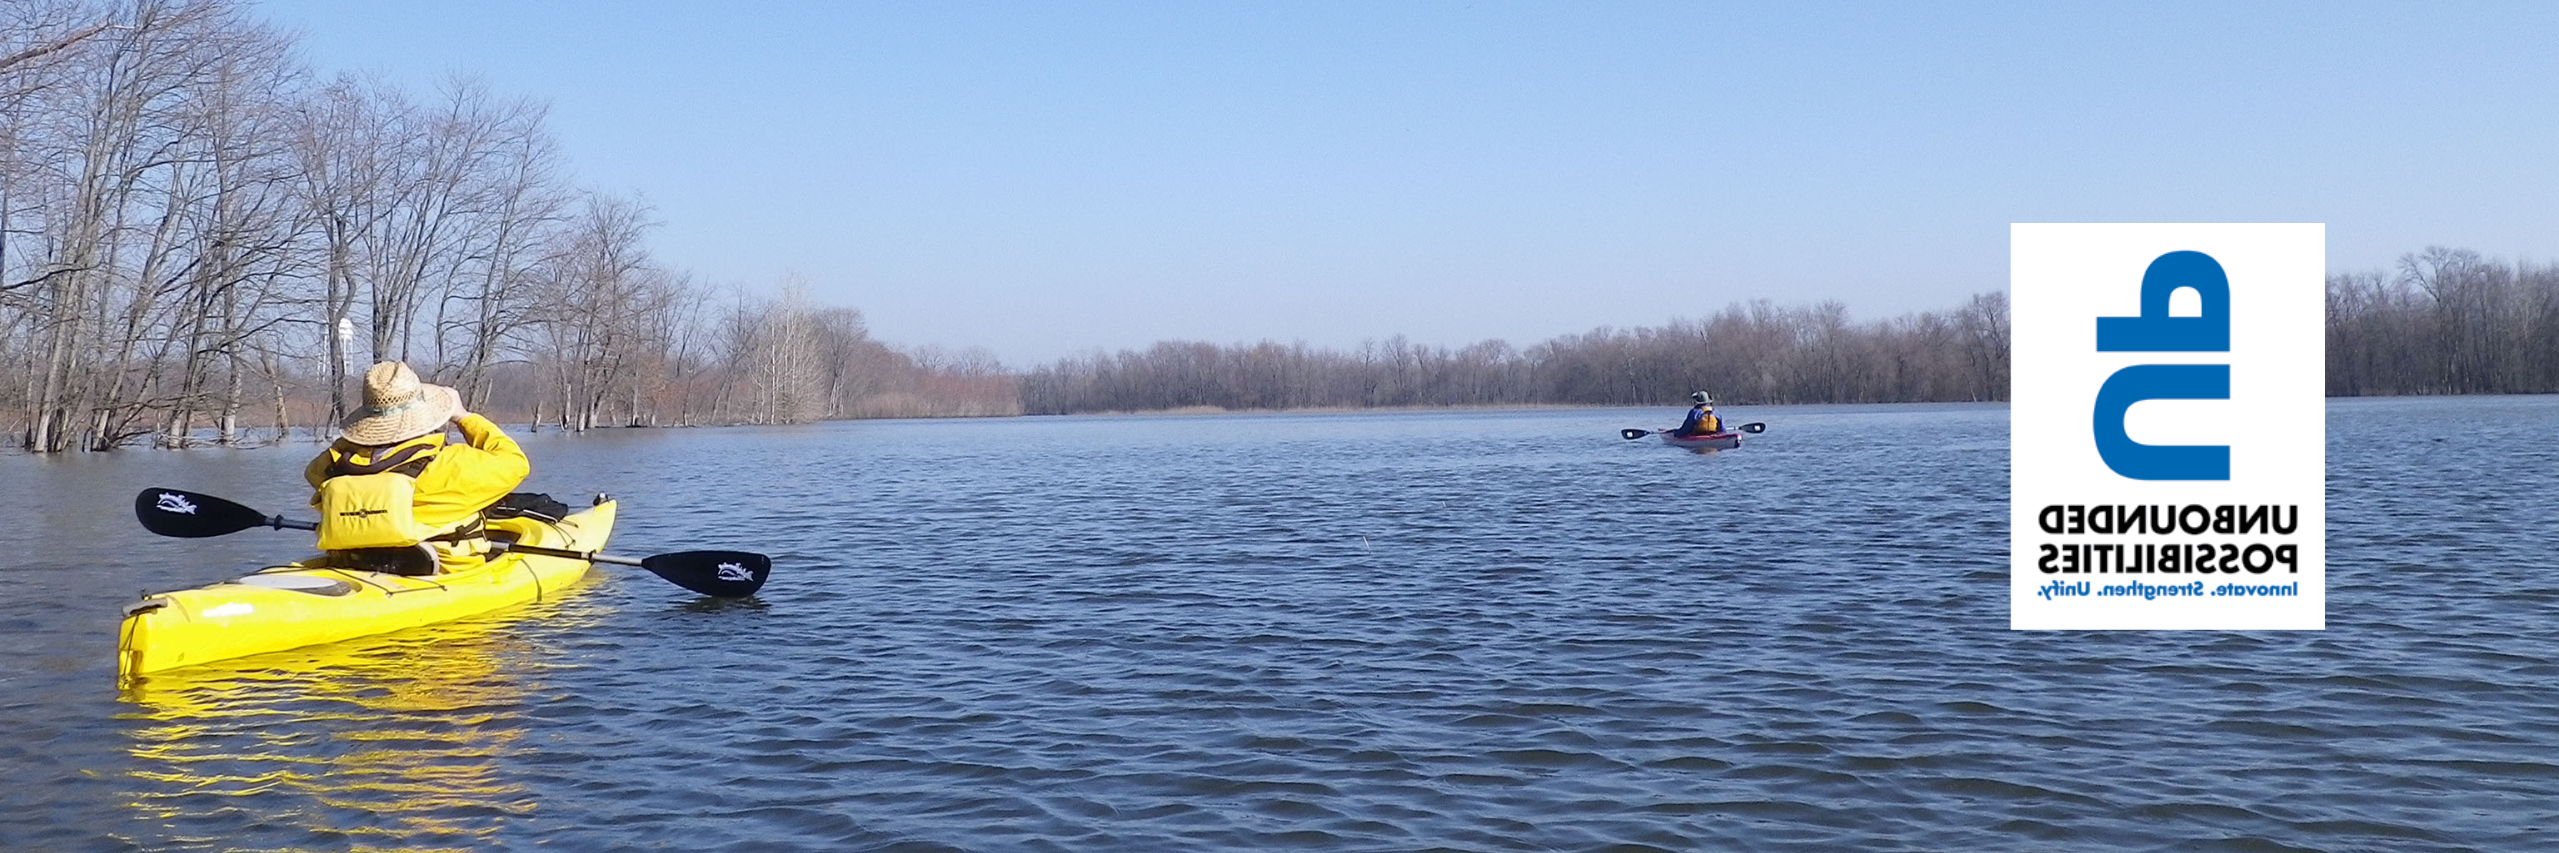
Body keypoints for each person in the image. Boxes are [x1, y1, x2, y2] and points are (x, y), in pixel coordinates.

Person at [305, 361, 529, 575]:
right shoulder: (453, 464)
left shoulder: (332, 466)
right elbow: (516, 463)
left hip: (353, 566)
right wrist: (463, 417)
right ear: (424, 413)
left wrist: (360, 442)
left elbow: (314, 470)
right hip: (445, 572)